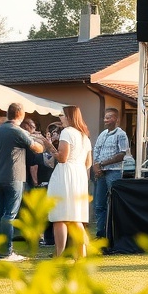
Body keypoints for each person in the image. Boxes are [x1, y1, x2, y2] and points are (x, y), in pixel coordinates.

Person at [0, 103, 44, 261]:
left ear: (8, 113)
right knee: (9, 215)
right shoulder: (18, 131)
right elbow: (37, 148)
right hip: (14, 177)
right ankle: (6, 252)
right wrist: (39, 141)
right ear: (21, 114)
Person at [44, 105, 93, 258]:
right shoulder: (84, 136)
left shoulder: (67, 132)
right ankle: (82, 255)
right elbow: (88, 163)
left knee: (60, 217)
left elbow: (62, 158)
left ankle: (59, 255)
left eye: (62, 115)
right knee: (76, 218)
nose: (60, 118)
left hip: (65, 175)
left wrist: (48, 145)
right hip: (79, 175)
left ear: (70, 117)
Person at [91, 107, 129, 238]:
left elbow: (121, 155)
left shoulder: (121, 134)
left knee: (114, 203)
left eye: (109, 117)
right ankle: (101, 234)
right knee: (99, 205)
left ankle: (113, 234)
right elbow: (96, 151)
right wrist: (96, 167)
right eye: (105, 117)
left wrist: (102, 164)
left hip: (114, 171)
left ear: (116, 119)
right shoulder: (102, 134)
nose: (106, 120)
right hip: (101, 172)